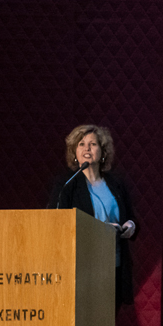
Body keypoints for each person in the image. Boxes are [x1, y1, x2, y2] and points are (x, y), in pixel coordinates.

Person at [50, 124, 137, 307]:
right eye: (81, 144)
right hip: (82, 268)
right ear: (74, 152)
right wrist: (100, 230)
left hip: (113, 266)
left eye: (93, 144)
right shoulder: (67, 184)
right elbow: (57, 223)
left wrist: (130, 226)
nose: (87, 148)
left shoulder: (116, 183)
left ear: (102, 151)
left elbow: (131, 217)